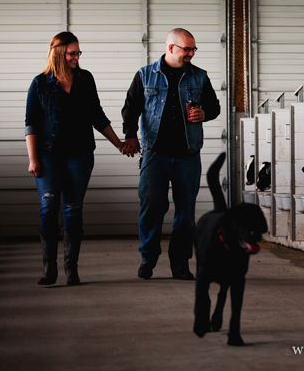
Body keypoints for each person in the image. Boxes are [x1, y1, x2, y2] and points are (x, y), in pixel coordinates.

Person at [26, 31, 127, 286]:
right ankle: (50, 269)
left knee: (73, 210)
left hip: (80, 155)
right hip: (48, 155)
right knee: (49, 208)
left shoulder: (85, 79)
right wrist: (33, 159)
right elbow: (32, 124)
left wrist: (119, 144)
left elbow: (97, 115)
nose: (76, 57)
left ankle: (72, 270)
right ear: (58, 52)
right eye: (72, 53)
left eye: (78, 53)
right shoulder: (40, 83)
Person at [121, 28, 221, 281]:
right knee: (151, 208)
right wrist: (130, 135)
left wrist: (205, 114)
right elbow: (130, 108)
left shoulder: (199, 76)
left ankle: (180, 265)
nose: (190, 54)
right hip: (155, 154)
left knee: (185, 214)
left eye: (193, 49)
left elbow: (215, 107)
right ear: (170, 48)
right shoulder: (145, 75)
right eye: (186, 49)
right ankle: (148, 258)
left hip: (188, 155)